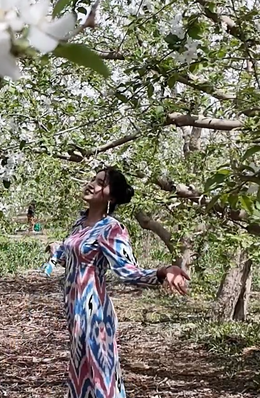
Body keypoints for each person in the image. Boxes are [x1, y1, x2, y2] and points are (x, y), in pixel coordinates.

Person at [43, 167, 189, 398]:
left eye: (100, 183)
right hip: (75, 311)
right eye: (93, 179)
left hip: (95, 313)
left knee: (101, 375)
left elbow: (128, 271)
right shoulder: (80, 223)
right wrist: (57, 249)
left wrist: (162, 272)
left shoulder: (111, 229)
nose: (92, 184)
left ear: (111, 197)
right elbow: (71, 257)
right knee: (82, 373)